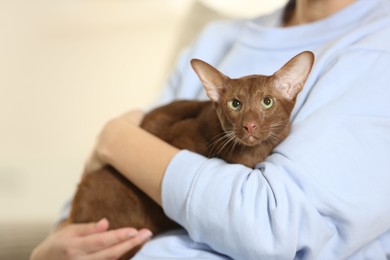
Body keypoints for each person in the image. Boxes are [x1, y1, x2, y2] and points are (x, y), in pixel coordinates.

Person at [31, 0, 390, 259]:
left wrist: (114, 138)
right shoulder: (216, 37)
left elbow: (269, 228)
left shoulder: (378, 41)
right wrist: (58, 238)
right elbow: (114, 178)